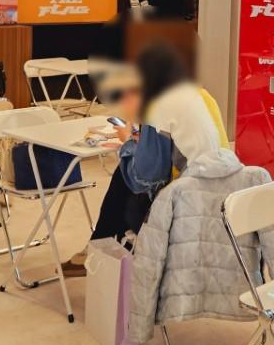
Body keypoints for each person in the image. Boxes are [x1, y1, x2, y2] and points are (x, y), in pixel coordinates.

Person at [63, 44, 223, 276]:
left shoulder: (157, 105)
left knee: (125, 180)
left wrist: (128, 141)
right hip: (220, 191)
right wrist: (144, 140)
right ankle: (100, 248)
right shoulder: (200, 94)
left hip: (188, 203)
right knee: (125, 177)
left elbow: (144, 178)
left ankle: (102, 252)